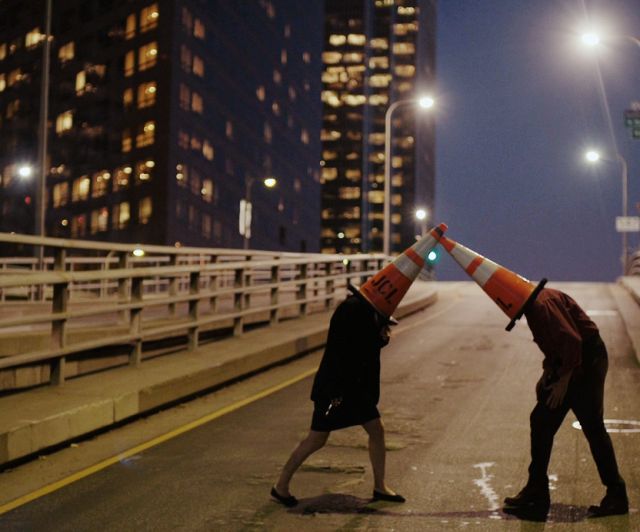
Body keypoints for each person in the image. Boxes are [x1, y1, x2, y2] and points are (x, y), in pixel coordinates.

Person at [270, 288, 405, 507]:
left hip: (354, 389)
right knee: (316, 439)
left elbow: (360, 346)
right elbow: (352, 347)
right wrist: (379, 336)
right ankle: (280, 486)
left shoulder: (361, 309)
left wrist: (379, 335)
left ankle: (380, 486)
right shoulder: (353, 310)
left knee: (376, 430)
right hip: (337, 390)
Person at [503, 287, 628, 518]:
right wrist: (548, 373)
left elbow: (572, 341)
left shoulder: (540, 307)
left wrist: (562, 382)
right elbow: (556, 345)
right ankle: (537, 491)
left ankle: (614, 494)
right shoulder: (537, 303)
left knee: (586, 425)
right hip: (578, 359)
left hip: (585, 361)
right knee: (543, 422)